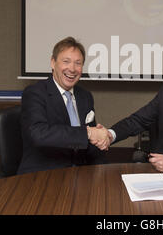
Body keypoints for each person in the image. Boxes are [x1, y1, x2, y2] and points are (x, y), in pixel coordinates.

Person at [17, 37, 110, 174]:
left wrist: (101, 142)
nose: (72, 69)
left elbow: (90, 145)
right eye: (66, 61)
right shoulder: (35, 93)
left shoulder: (85, 96)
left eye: (78, 63)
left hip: (80, 175)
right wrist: (89, 133)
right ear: (53, 63)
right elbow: (39, 134)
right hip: (43, 174)